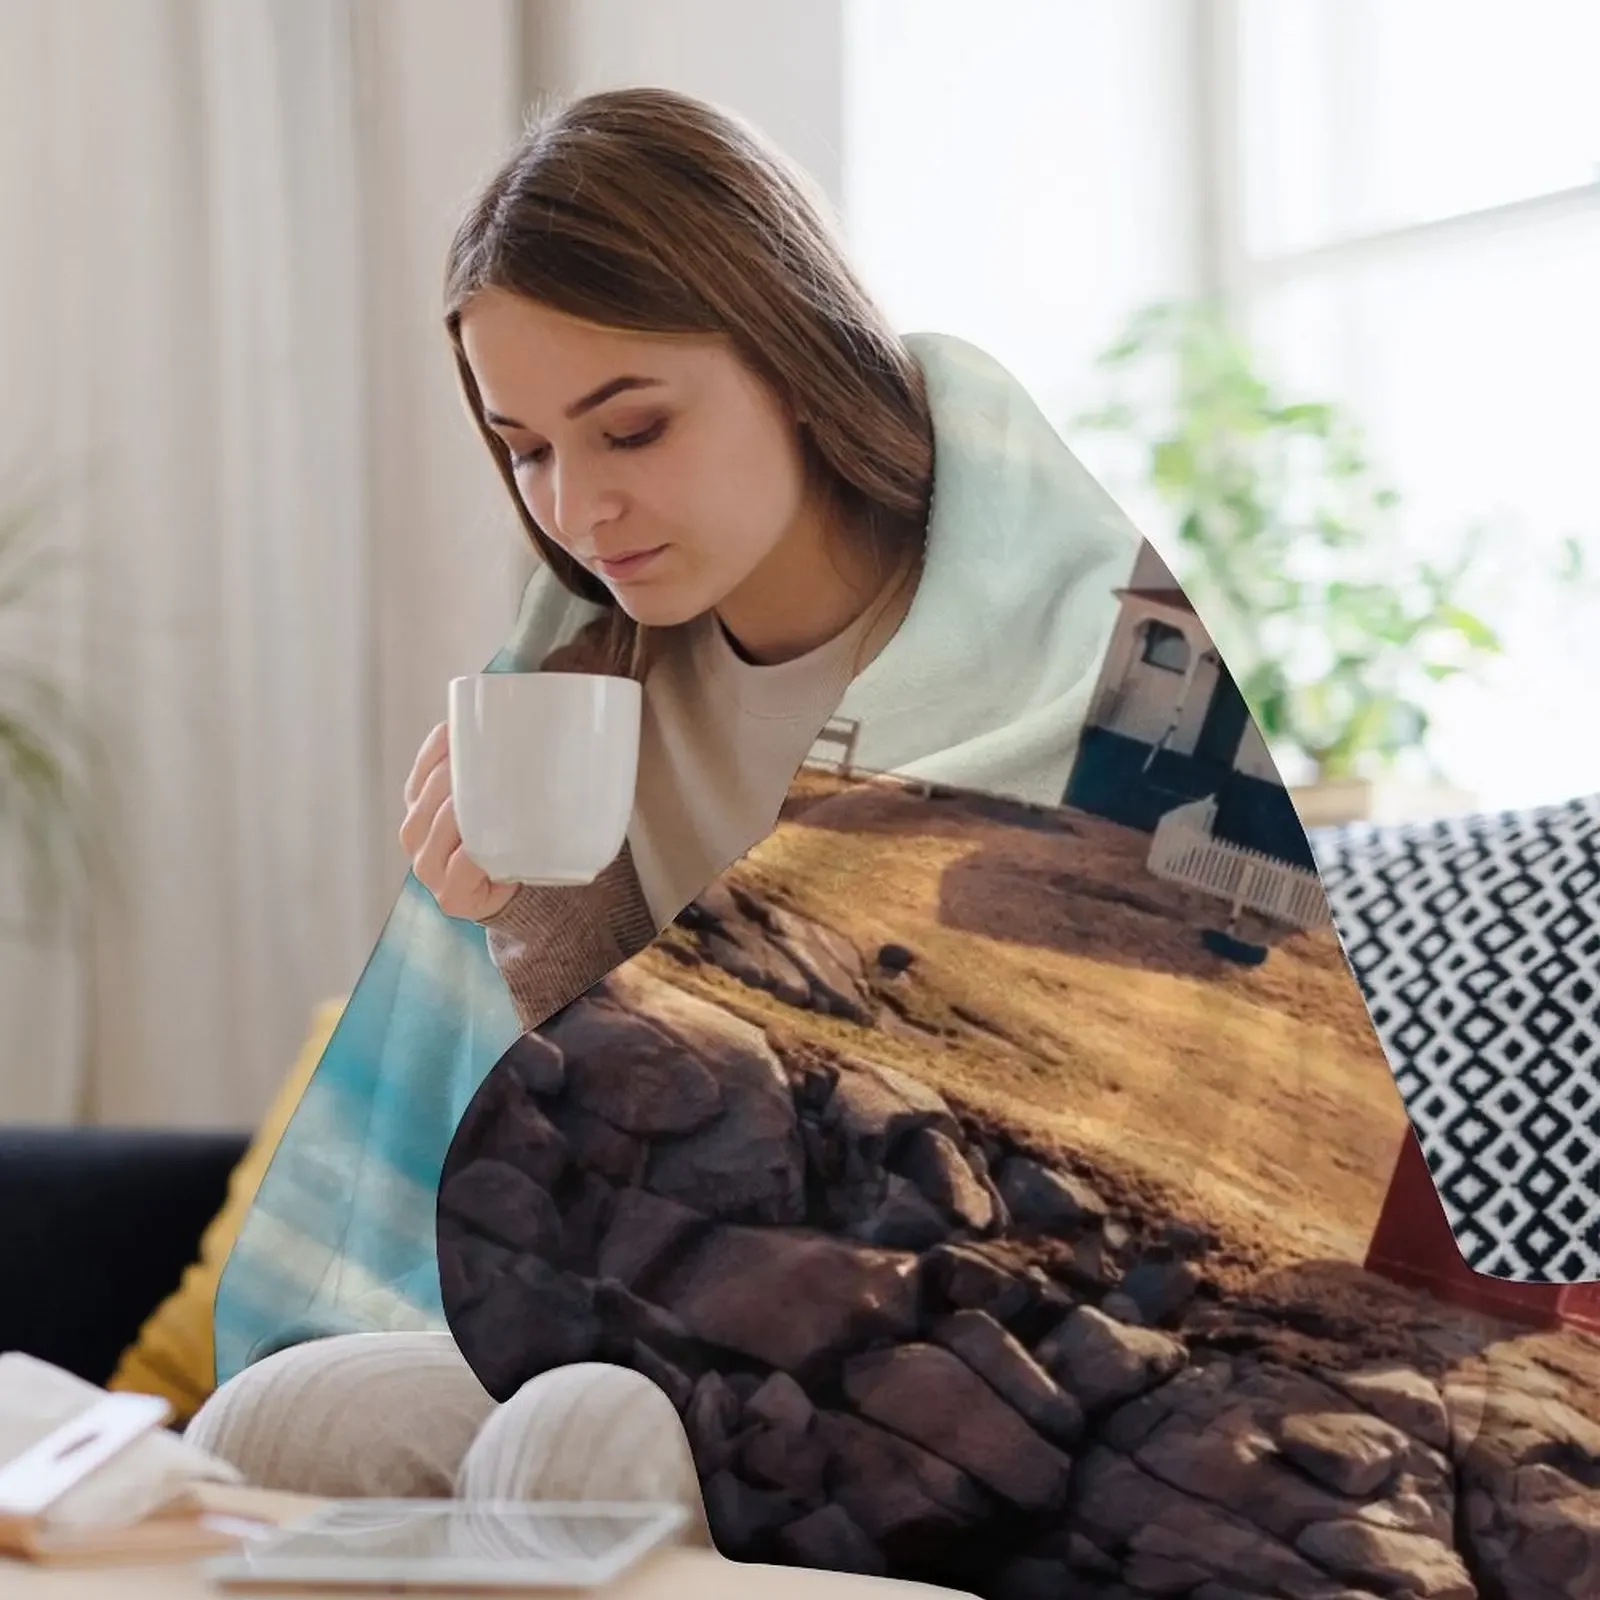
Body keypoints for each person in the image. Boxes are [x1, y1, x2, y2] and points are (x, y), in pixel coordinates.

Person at [191, 86, 1137, 1526]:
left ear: (795, 357)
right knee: (281, 1415)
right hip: (666, 1297)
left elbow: (1106, 1150)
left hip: (989, 1333)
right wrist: (529, 916)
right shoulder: (582, 682)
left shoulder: (1050, 652)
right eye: (528, 449)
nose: (578, 509)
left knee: (577, 1446)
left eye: (630, 429)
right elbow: (619, 1142)